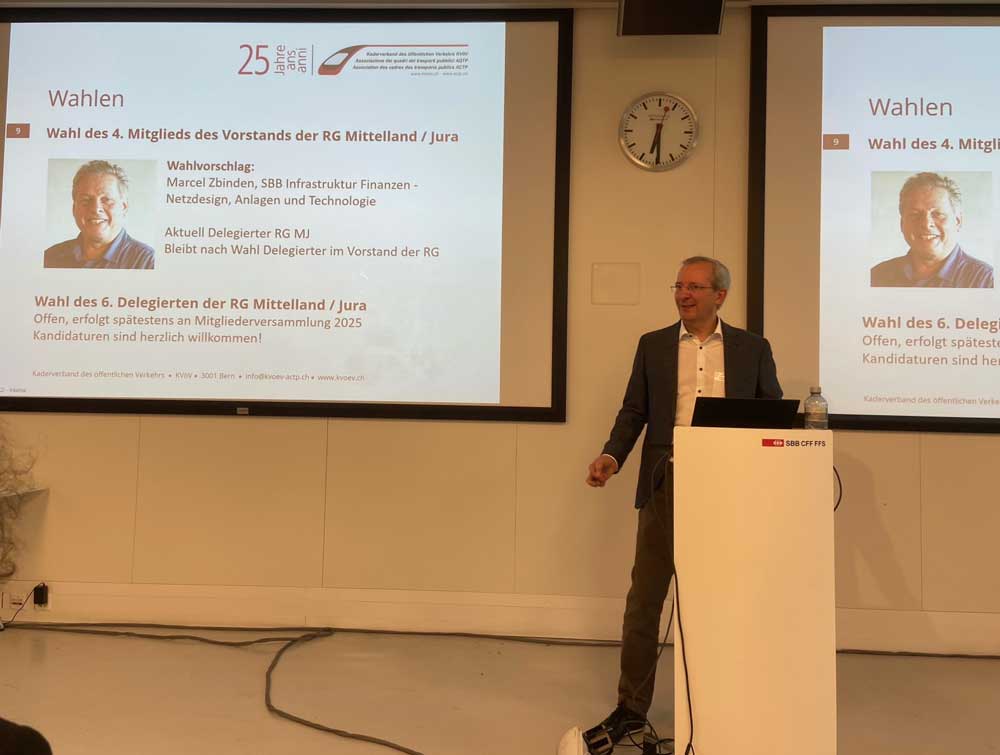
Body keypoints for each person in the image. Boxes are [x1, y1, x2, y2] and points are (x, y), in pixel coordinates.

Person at [582, 256, 782, 752]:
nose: (683, 294)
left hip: (729, 487)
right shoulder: (653, 345)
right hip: (665, 484)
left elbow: (773, 413)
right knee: (644, 602)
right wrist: (611, 456)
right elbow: (634, 411)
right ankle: (631, 709)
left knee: (724, 600)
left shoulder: (753, 349)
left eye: (694, 287)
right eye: (679, 286)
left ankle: (722, 704)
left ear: (720, 295)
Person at [870, 172, 993, 288]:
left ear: (957, 221)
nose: (926, 224)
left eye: (938, 214)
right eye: (915, 214)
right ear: (902, 224)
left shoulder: (986, 281)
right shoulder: (877, 276)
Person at [44, 160, 154, 269]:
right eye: (86, 200)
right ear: (74, 209)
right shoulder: (50, 257)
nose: (96, 209)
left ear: (124, 207)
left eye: (106, 199)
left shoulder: (147, 262)